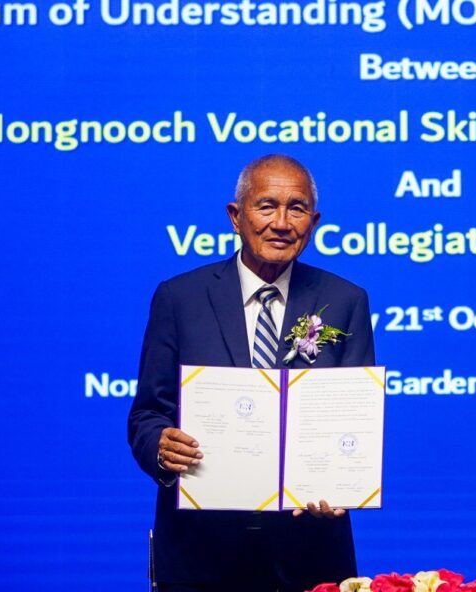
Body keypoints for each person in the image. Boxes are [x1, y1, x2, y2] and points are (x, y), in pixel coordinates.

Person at [128, 154, 375, 592]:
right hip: (200, 552)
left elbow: (354, 418)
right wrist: (161, 449)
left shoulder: (345, 300)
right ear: (235, 216)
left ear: (314, 222)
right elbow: (148, 414)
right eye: (266, 206)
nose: (281, 223)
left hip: (310, 551)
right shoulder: (179, 298)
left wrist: (342, 483)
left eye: (296, 208)